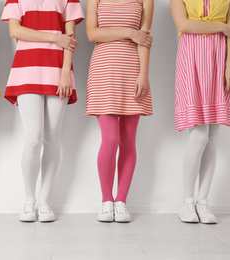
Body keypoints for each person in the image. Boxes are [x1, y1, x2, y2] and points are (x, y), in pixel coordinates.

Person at [1, 0, 84, 222]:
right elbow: (14, 30)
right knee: (33, 138)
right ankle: (29, 201)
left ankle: (45, 201)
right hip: (27, 69)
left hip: (58, 69)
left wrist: (66, 72)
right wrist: (54, 37)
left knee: (53, 138)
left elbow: (70, 37)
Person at [170, 0, 230, 224]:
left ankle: (203, 202)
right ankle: (187, 202)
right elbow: (184, 25)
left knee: (213, 137)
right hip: (191, 61)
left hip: (219, 61)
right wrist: (221, 27)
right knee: (199, 136)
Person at [86, 0, 154, 222]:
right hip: (103, 70)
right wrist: (129, 32)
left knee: (128, 140)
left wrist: (144, 74)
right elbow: (92, 34)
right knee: (110, 138)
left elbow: (144, 39)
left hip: (133, 70)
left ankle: (121, 201)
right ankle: (106, 200)